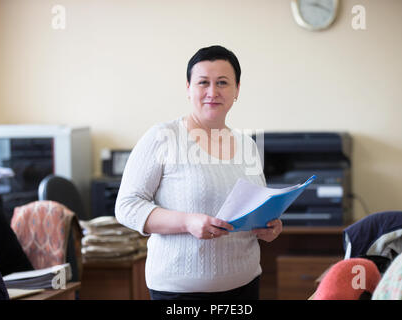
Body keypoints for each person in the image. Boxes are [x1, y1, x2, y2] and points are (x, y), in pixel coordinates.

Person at [115, 45, 282, 300]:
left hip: (246, 284)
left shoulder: (247, 145)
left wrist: (269, 226)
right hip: (181, 293)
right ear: (188, 88)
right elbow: (126, 206)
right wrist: (187, 222)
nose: (212, 92)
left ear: (237, 90)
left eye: (223, 83)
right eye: (203, 82)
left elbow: (254, 207)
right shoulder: (163, 137)